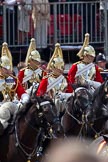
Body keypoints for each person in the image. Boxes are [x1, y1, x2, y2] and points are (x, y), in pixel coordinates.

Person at [0, 42, 30, 135]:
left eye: (9, 68)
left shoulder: (13, 79)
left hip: (12, 105)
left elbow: (22, 93)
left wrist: (24, 100)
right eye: (6, 68)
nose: (9, 70)